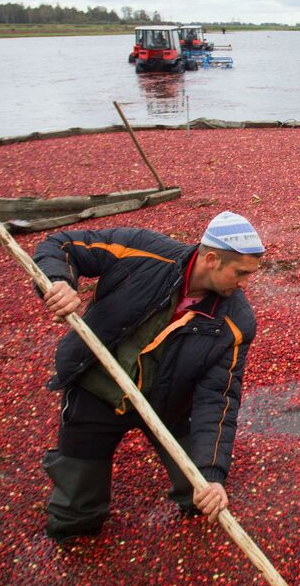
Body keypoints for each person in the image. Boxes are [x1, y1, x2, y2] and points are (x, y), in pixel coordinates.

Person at [33, 211, 264, 544]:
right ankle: (75, 523)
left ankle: (199, 484)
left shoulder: (236, 321)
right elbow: (62, 246)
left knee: (201, 496)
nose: (245, 284)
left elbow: (218, 397)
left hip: (169, 404)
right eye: (240, 272)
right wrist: (58, 282)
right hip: (96, 389)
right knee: (77, 512)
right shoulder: (141, 250)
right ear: (211, 259)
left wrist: (213, 474)